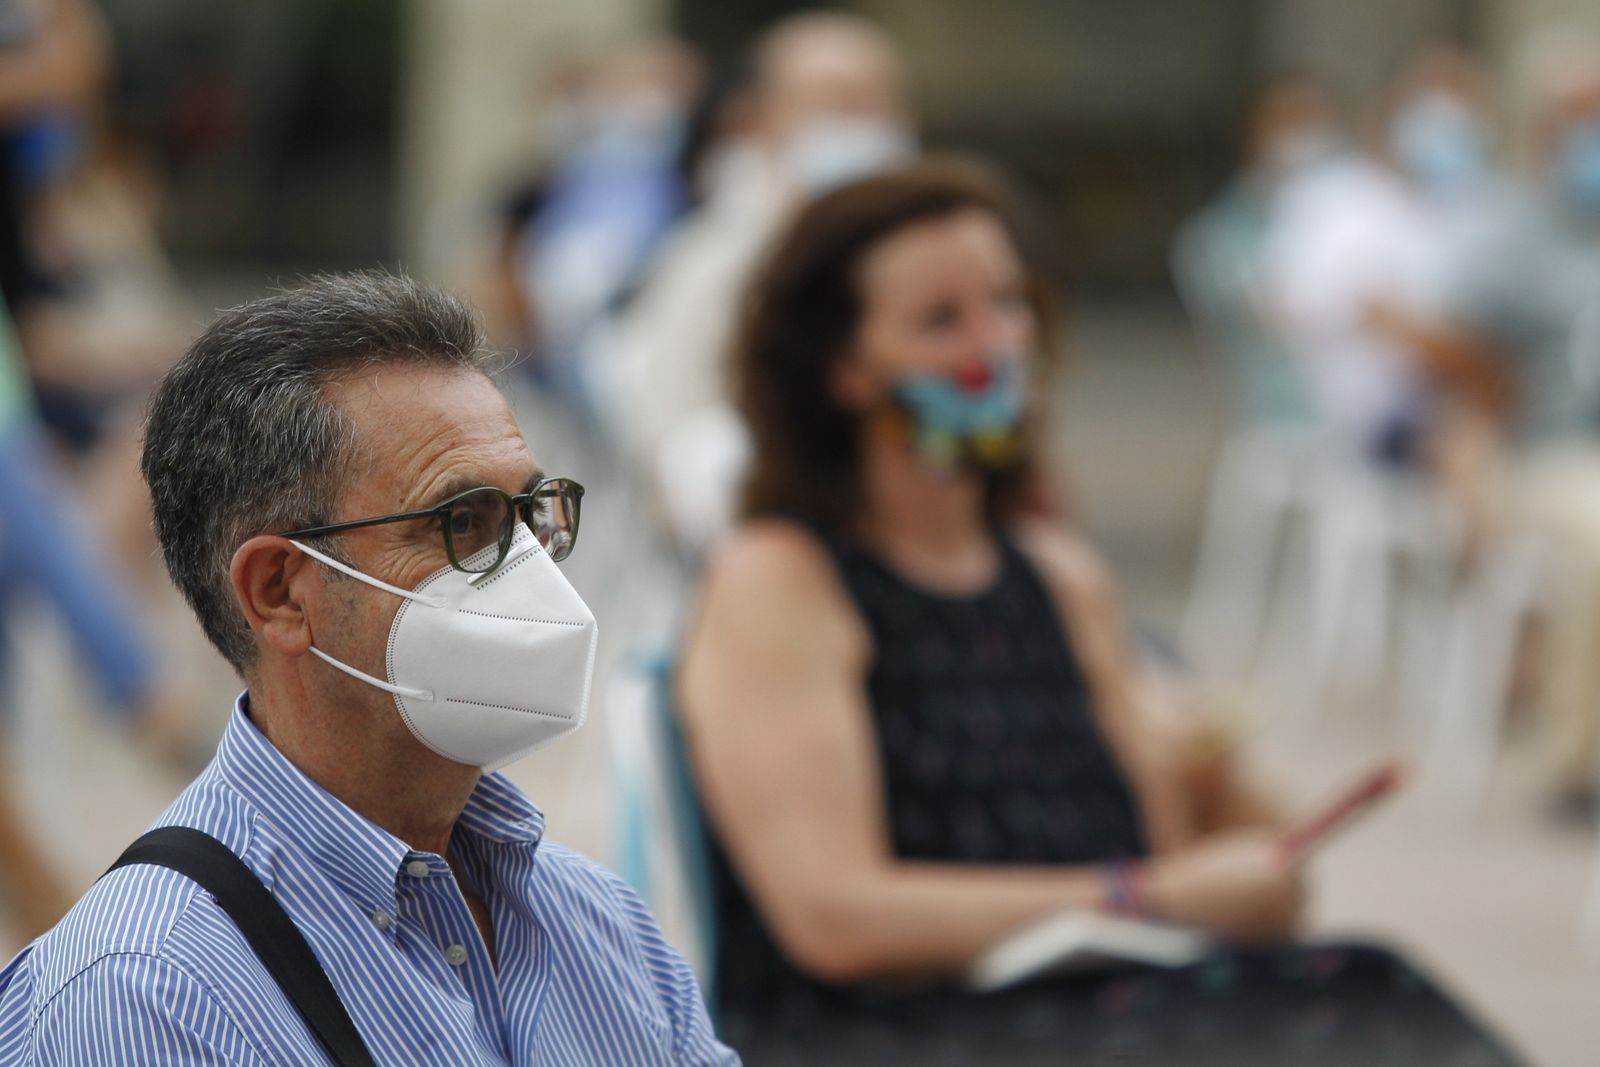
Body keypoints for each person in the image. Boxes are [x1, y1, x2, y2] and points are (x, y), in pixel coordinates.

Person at [676, 161, 1521, 1065]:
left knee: (1361, 982)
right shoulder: (781, 578)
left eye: (1009, 303)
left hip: (1095, 1005)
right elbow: (833, 917)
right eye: (941, 319)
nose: (994, 346)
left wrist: (1213, 777)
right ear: (842, 368)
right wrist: (1148, 894)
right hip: (890, 1027)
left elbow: (1178, 855)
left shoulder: (1060, 578)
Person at [0, 273, 737, 1064]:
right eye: (461, 520)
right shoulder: (149, 998)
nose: (529, 571)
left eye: (531, 512)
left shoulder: (601, 926)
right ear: (279, 591)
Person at [599, 10, 915, 554]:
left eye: (874, 100)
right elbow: (673, 439)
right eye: (834, 102)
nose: (860, 123)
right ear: (761, 118)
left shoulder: (945, 247)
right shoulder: (710, 263)